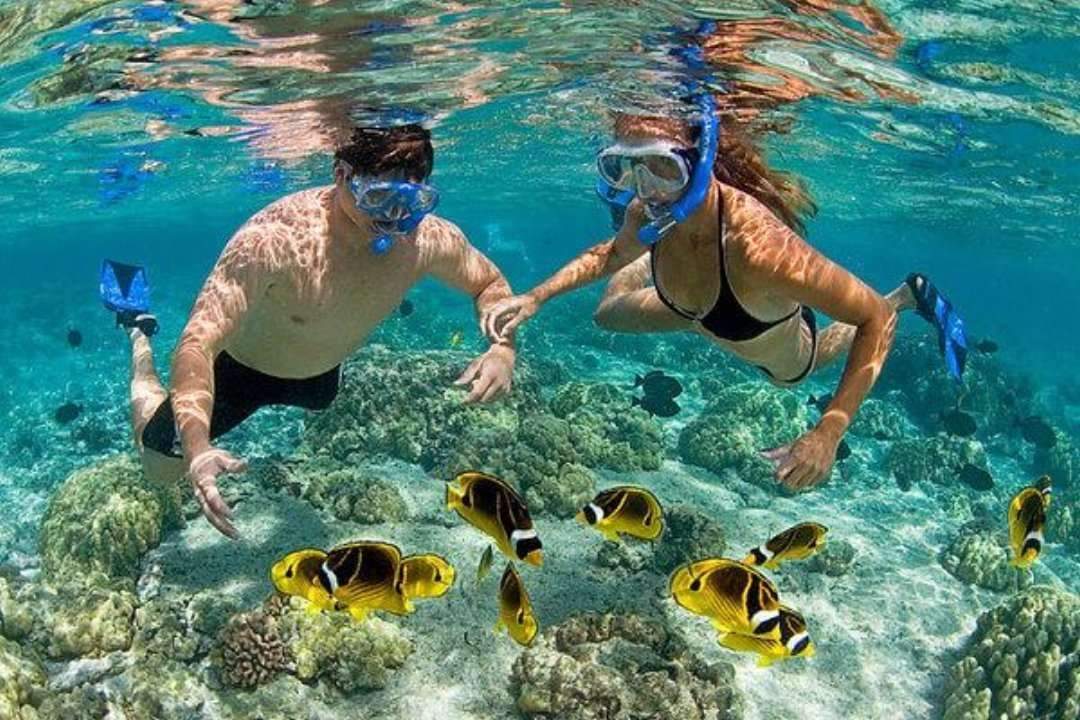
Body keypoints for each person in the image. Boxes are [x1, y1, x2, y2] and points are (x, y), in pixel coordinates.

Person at [483, 95, 966, 491]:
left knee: (797, 374)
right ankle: (666, 269)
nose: (645, 189)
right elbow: (610, 256)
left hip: (753, 321)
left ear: (700, 160)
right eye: (625, 168)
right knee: (607, 313)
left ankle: (907, 294)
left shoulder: (760, 250)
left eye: (662, 168)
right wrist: (537, 296)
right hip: (693, 309)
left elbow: (871, 320)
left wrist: (830, 429)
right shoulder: (644, 212)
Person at [106, 123, 518, 538]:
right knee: (159, 467)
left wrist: (502, 348)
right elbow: (199, 343)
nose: (392, 218)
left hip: (322, 375)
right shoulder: (272, 240)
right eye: (377, 198)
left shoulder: (428, 240)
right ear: (341, 175)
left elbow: (489, 284)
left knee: (320, 393)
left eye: (411, 202)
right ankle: (138, 334)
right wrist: (196, 451)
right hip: (240, 372)